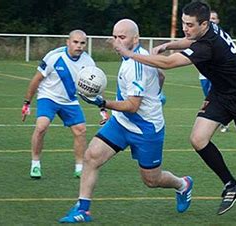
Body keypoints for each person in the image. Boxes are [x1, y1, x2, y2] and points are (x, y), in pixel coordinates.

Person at [115, 1, 236, 218]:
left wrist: (129, 53)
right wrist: (169, 44)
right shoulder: (206, 31)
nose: (185, 29)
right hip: (221, 93)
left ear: (205, 24)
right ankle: (232, 184)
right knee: (198, 139)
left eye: (190, 25)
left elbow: (168, 64)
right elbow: (189, 40)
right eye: (183, 23)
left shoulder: (207, 46)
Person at [58, 19, 193, 223]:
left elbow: (132, 106)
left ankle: (183, 184)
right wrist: (156, 92)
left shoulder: (135, 65)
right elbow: (161, 75)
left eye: (122, 37)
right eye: (114, 37)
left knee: (151, 180)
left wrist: (102, 102)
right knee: (91, 156)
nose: (117, 42)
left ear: (135, 39)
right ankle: (83, 210)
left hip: (146, 128)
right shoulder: (136, 55)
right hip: (121, 123)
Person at [22, 30, 97, 179]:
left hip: (70, 100)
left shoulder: (89, 62)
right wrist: (27, 103)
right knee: (41, 126)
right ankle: (35, 164)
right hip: (48, 96)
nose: (79, 46)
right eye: (75, 42)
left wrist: (102, 108)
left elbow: (93, 86)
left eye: (82, 43)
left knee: (80, 130)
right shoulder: (54, 56)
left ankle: (79, 167)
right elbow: (36, 79)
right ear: (68, 42)